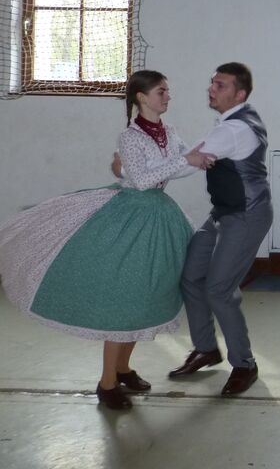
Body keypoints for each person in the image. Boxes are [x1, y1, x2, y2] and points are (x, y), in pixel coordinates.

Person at [0, 70, 214, 410]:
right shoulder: (129, 137)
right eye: (161, 91)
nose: (167, 97)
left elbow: (179, 167)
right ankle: (107, 383)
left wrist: (198, 159)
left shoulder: (169, 132)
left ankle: (123, 368)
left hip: (159, 216)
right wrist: (183, 160)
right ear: (142, 97)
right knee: (125, 300)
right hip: (130, 215)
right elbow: (141, 180)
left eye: (167, 91)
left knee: (144, 299)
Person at [166, 62, 273, 397]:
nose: (212, 89)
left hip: (245, 216)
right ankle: (206, 349)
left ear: (239, 94)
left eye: (221, 85)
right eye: (212, 83)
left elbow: (186, 164)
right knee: (190, 276)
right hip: (224, 214)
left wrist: (133, 172)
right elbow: (190, 154)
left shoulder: (234, 130)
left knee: (219, 290)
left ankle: (245, 365)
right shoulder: (231, 123)